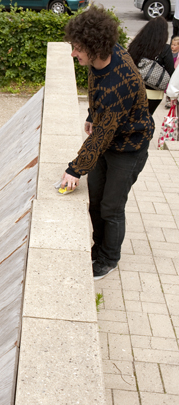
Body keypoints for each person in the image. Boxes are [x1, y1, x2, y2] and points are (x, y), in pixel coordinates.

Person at [62, 6, 154, 280]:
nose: (73, 53)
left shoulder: (119, 80)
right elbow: (96, 93)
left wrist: (74, 169)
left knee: (112, 207)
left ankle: (109, 259)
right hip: (110, 139)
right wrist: (93, 112)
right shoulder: (102, 59)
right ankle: (98, 248)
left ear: (94, 47)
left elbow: (101, 135)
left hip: (129, 148)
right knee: (95, 201)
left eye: (77, 48)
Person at [127, 16, 174, 116]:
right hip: (155, 94)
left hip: (134, 88)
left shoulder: (136, 45)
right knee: (147, 118)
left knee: (132, 117)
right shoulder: (165, 49)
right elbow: (171, 72)